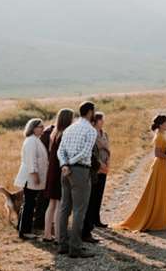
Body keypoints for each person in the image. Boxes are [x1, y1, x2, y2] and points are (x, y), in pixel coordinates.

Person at [114, 114, 166, 232]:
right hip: (159, 166)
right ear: (161, 125)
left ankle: (162, 217)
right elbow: (157, 154)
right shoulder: (159, 137)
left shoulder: (162, 135)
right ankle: (155, 219)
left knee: (162, 190)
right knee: (157, 191)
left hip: (163, 165)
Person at [57, 101, 98, 258]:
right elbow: (85, 152)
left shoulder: (69, 128)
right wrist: (70, 164)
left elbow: (61, 151)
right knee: (79, 210)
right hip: (80, 171)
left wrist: (64, 165)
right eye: (93, 111)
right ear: (89, 112)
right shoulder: (90, 130)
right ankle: (75, 248)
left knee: (64, 208)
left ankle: (62, 245)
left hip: (65, 171)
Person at [41, 108, 74, 242]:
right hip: (59, 170)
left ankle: (47, 234)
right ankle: (59, 236)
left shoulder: (54, 133)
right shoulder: (65, 133)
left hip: (52, 170)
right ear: (68, 119)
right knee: (60, 204)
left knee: (52, 204)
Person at [13, 118, 49, 240]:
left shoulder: (35, 140)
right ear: (33, 128)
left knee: (28, 203)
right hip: (31, 178)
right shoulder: (31, 141)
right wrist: (35, 176)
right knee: (29, 204)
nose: (43, 128)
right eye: (40, 126)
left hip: (33, 178)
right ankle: (25, 231)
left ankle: (22, 228)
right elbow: (31, 161)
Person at [83, 111, 110, 237]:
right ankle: (91, 220)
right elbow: (93, 153)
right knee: (93, 195)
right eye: (101, 120)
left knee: (99, 194)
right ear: (95, 121)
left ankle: (97, 219)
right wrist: (100, 164)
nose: (103, 122)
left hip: (105, 166)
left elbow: (108, 149)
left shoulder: (104, 134)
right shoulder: (92, 134)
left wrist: (107, 164)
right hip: (96, 168)